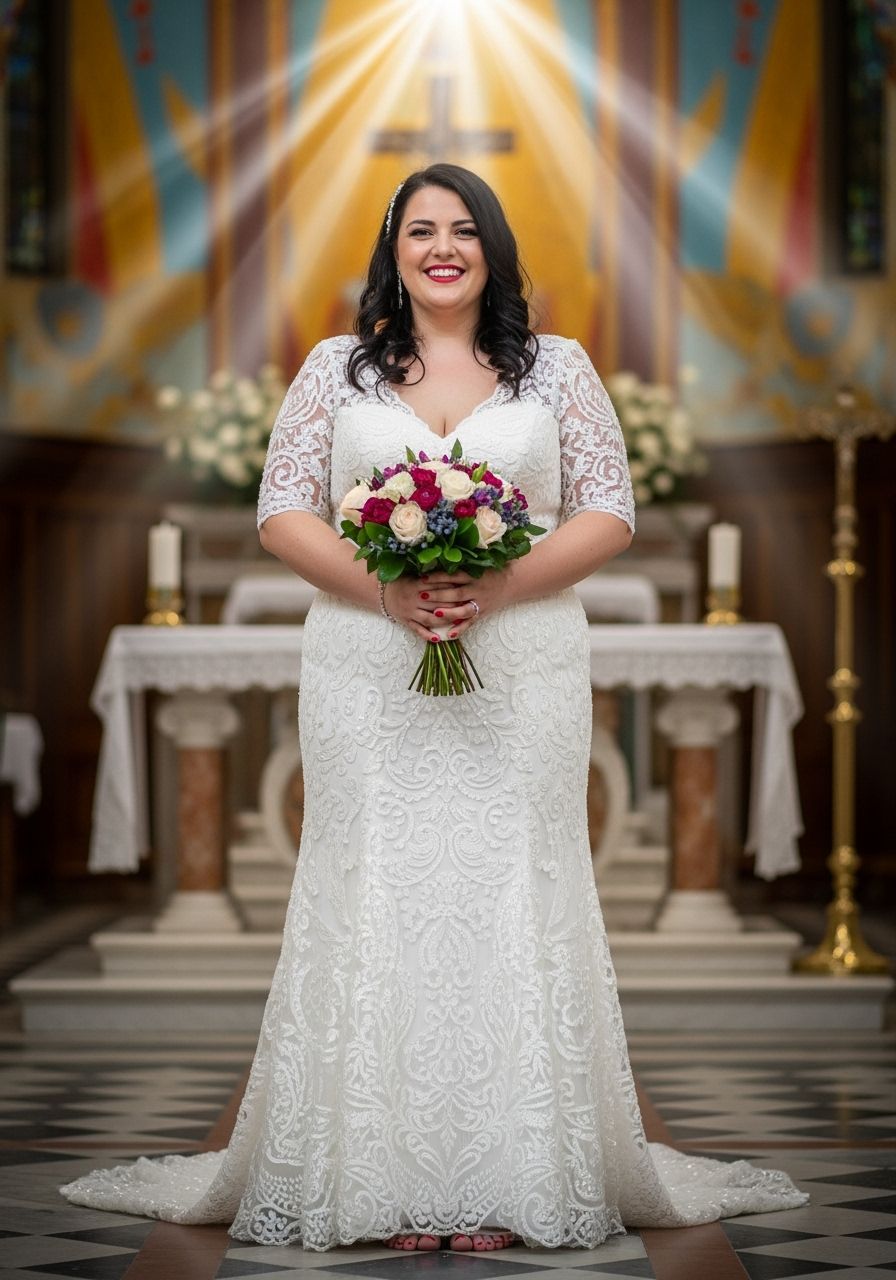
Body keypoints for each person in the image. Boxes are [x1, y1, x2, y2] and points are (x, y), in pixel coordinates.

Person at [61, 163, 806, 1252]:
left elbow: (609, 509)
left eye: (464, 230)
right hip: (367, 662)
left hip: (524, 659)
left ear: (494, 249)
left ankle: (507, 1175)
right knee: (376, 884)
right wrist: (386, 587)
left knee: (511, 883)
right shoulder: (334, 369)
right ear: (393, 248)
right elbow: (281, 511)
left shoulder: (558, 369)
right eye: (421, 230)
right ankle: (387, 1178)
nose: (443, 247)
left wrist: (500, 583)